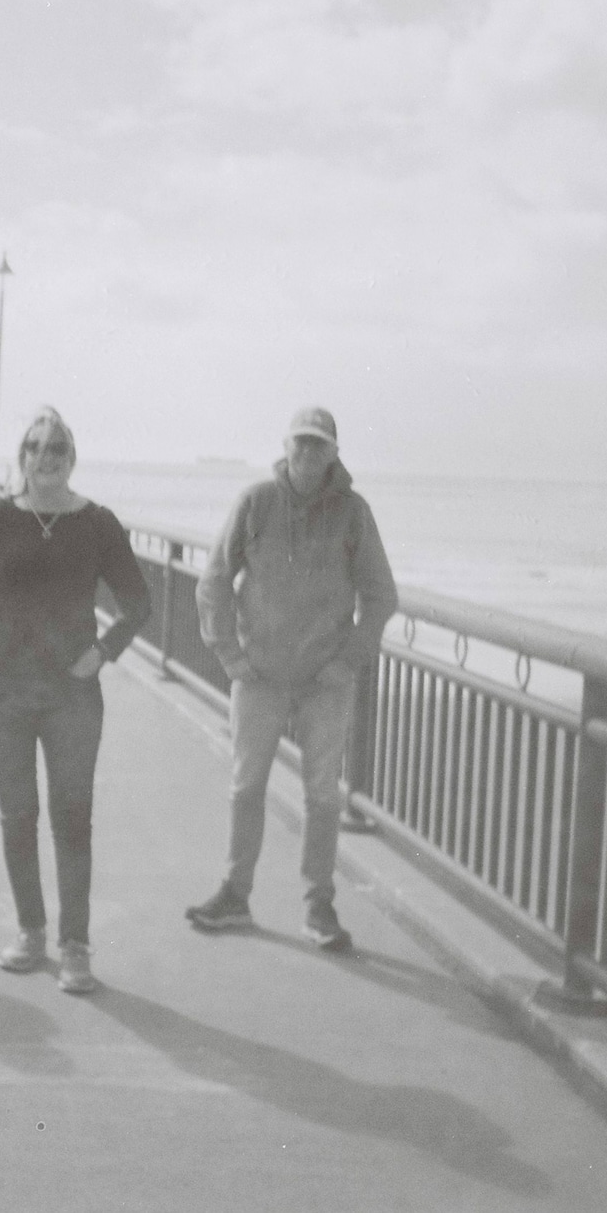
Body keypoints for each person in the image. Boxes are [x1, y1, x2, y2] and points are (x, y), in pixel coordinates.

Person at [0, 408, 150, 994]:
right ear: (22, 457)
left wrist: (105, 650)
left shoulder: (98, 524)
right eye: (35, 447)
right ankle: (31, 932)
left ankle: (75, 945)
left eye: (57, 447)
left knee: (72, 819)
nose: (46, 456)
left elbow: (138, 601)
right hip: (4, 691)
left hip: (72, 695)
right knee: (18, 815)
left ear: (71, 457)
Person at [185, 406, 397, 951]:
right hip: (258, 677)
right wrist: (229, 654)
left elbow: (380, 596)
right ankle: (235, 893)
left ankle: (318, 905)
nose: (308, 454)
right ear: (285, 447)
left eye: (319, 445)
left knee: (322, 795)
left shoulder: (354, 513)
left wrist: (348, 660)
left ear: (334, 453)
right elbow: (212, 581)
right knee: (246, 785)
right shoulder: (255, 503)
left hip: (326, 682)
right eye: (300, 444)